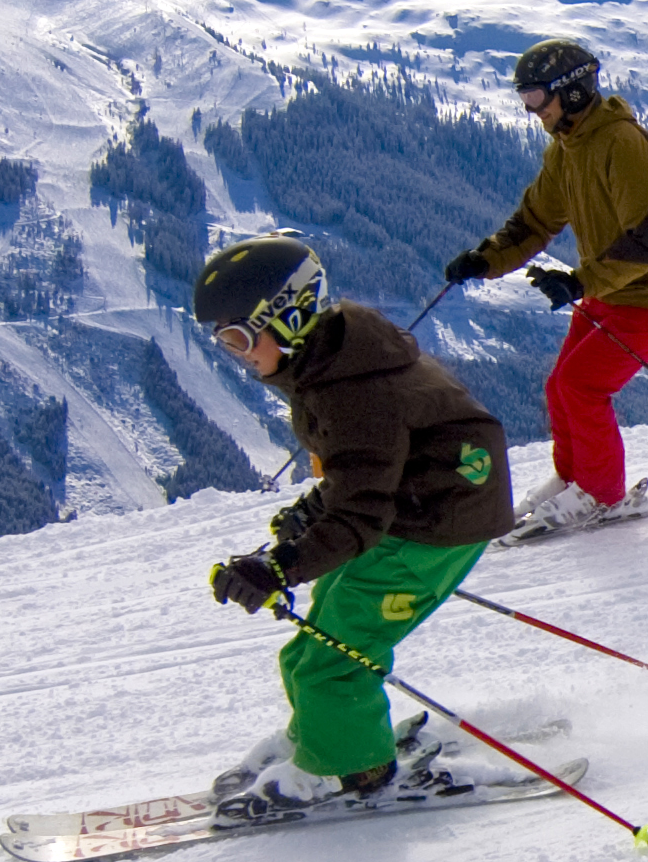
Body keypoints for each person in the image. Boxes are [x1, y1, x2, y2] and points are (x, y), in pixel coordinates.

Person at [195, 235, 516, 822]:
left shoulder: (352, 390)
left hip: (437, 522)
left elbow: (363, 510)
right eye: (223, 341)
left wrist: (279, 567)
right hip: (418, 504)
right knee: (311, 646)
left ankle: (346, 770)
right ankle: (322, 737)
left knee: (334, 657)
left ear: (287, 319)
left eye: (238, 338)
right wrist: (309, 518)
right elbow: (366, 472)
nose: (235, 355)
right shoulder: (330, 360)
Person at [443, 39, 648, 543]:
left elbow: (647, 240)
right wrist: (486, 260)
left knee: (583, 386)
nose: (531, 110)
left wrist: (579, 281)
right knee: (560, 385)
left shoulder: (622, 145)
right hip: (616, 286)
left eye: (535, 98)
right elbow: (534, 220)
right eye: (524, 99)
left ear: (569, 93)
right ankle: (574, 481)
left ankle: (601, 496)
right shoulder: (568, 148)